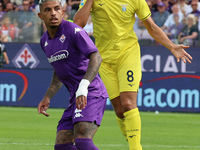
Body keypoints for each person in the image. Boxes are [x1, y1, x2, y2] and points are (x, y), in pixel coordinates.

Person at [73, 0, 193, 149]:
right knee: (119, 110)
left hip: (127, 54)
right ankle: (133, 143)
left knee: (128, 104)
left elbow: (151, 26)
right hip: (103, 60)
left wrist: (172, 46)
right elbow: (77, 24)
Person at [37, 0, 108, 150]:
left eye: (57, 9)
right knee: (62, 146)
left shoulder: (73, 31)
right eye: (48, 10)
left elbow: (96, 57)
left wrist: (83, 86)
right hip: (74, 98)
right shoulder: (44, 41)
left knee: (82, 140)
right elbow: (59, 70)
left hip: (91, 91)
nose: (53, 13)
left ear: (63, 12)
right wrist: (48, 96)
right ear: (41, 15)